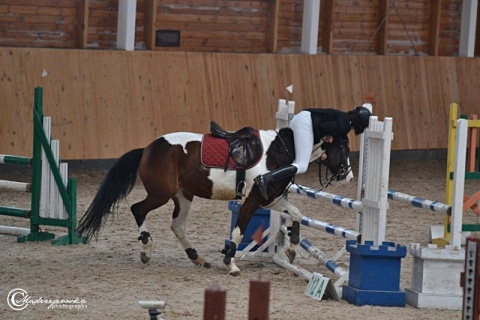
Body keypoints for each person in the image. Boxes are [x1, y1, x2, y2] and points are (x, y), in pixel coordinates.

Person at [254, 105, 372, 199]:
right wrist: (323, 137)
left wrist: (325, 138)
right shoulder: (345, 125)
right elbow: (321, 129)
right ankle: (266, 179)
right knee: (302, 165)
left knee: (293, 158)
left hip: (301, 119)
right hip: (305, 124)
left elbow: (324, 128)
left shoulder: (344, 118)